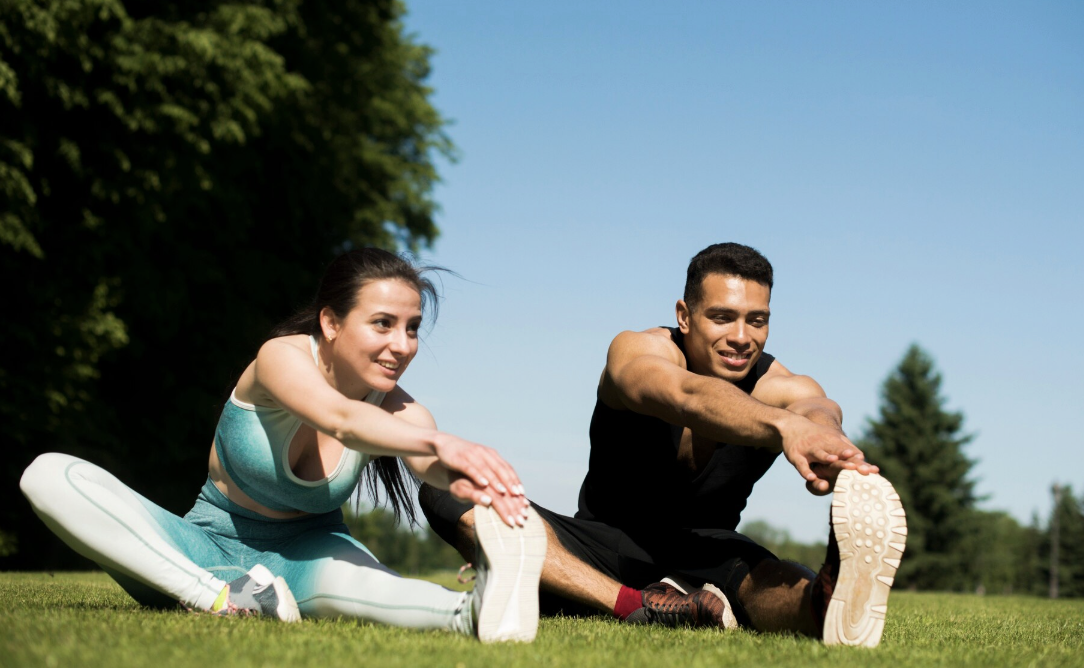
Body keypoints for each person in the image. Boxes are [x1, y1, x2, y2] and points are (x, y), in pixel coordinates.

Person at [20, 248, 546, 643]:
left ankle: (477, 611)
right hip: (203, 549)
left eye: (412, 328)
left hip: (308, 555)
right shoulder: (280, 357)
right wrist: (441, 440)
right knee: (47, 474)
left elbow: (427, 460)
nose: (403, 345)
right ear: (331, 322)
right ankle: (222, 598)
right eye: (383, 324)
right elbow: (339, 417)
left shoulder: (400, 408)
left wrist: (475, 483)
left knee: (377, 590)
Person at [419, 242, 907, 647]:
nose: (742, 337)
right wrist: (783, 427)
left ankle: (824, 602)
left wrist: (828, 439)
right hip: (600, 546)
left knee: (768, 575)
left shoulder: (780, 388)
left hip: (706, 554)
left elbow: (816, 407)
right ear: (685, 315)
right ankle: (637, 604)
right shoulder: (638, 351)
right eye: (722, 317)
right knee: (451, 487)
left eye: (756, 320)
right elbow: (684, 395)